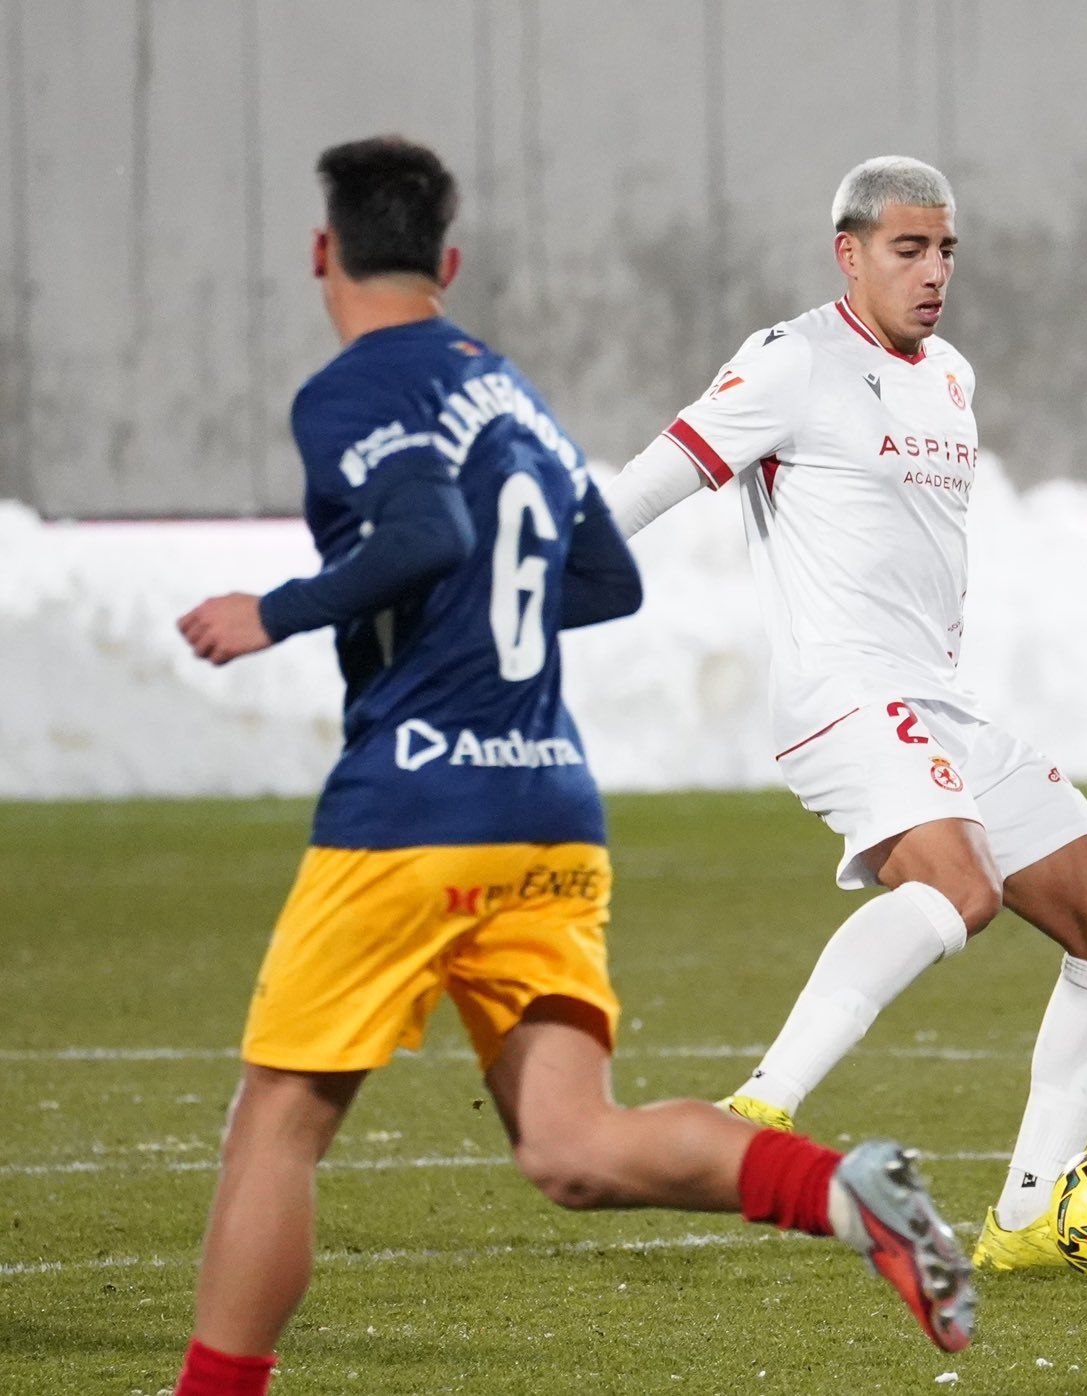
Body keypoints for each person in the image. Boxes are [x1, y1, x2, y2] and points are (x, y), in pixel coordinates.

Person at [168, 137, 972, 1396]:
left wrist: (275, 611)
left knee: (277, 1120)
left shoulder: (351, 389)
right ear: (449, 260)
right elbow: (603, 574)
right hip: (547, 805)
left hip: (412, 805)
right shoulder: (512, 393)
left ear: (324, 253)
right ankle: (837, 1189)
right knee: (571, 1145)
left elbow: (427, 527)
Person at [604, 155, 1087, 1272]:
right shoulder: (789, 361)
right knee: (961, 885)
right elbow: (643, 487)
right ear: (847, 253)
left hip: (941, 707)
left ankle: (1024, 1221)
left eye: (946, 247)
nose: (934, 269)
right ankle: (761, 1104)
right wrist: (524, 578)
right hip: (842, 694)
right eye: (908, 248)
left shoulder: (948, 374)